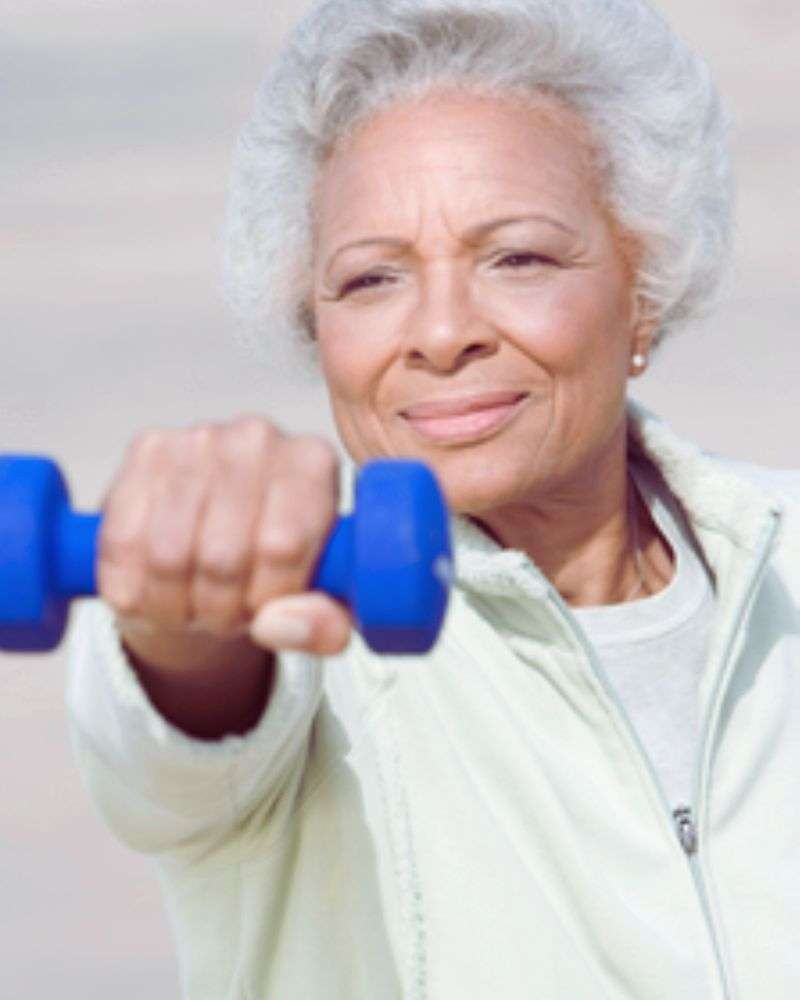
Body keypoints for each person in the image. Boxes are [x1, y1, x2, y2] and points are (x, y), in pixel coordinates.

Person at [65, 0, 800, 997]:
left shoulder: (781, 556)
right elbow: (173, 744)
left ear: (643, 283)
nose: (442, 331)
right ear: (313, 326)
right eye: (370, 279)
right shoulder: (307, 629)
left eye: (518, 257)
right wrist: (185, 626)